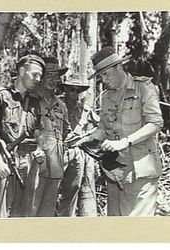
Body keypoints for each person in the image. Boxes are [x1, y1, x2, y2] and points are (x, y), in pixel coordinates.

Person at [75, 46, 163, 216]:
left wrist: (124, 142)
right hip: (115, 171)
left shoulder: (143, 88)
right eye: (100, 76)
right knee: (115, 225)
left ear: (119, 67)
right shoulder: (108, 96)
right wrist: (91, 138)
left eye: (106, 74)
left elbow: (155, 123)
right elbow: (104, 127)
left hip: (140, 171)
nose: (104, 80)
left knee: (138, 229)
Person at [0, 54, 46, 218]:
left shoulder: (35, 102)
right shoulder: (0, 97)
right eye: (35, 74)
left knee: (22, 213)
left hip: (28, 162)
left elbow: (39, 133)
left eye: (40, 76)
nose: (38, 79)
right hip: (4, 159)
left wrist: (39, 149)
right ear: (22, 71)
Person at [27, 57, 71, 217]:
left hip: (56, 166)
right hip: (35, 164)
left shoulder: (61, 105)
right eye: (49, 75)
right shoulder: (30, 99)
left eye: (56, 76)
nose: (53, 80)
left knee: (47, 212)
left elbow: (66, 130)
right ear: (41, 77)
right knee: (30, 210)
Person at [57, 74, 99, 217]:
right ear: (65, 90)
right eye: (71, 90)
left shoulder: (85, 111)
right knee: (52, 189)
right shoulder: (56, 105)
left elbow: (102, 125)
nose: (74, 94)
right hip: (57, 151)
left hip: (76, 152)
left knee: (72, 189)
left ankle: (66, 220)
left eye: (77, 90)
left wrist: (88, 136)